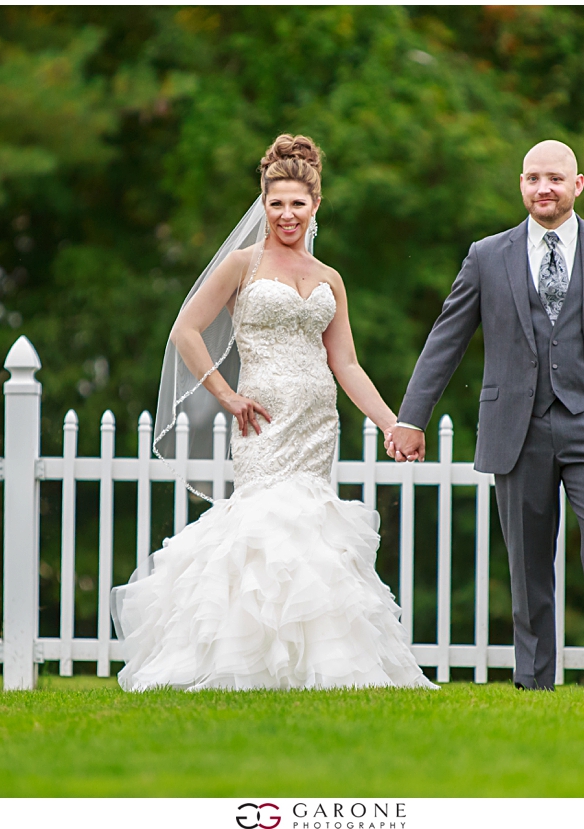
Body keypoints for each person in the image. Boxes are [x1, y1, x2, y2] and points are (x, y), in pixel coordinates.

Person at [111, 134, 437, 692]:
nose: (287, 213)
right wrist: (226, 393)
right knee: (265, 526)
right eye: (276, 202)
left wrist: (392, 422)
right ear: (262, 204)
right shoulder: (242, 264)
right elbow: (185, 331)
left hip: (317, 423)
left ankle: (321, 667)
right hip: (261, 422)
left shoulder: (330, 278)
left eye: (298, 203)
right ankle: (240, 661)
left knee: (312, 532)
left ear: (316, 205)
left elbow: (348, 364)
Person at [388, 140, 584, 691]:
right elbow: (447, 339)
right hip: (519, 430)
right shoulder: (487, 256)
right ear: (521, 184)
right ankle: (534, 684)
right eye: (534, 178)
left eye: (556, 179)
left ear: (577, 185)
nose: (545, 188)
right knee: (528, 563)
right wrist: (411, 417)